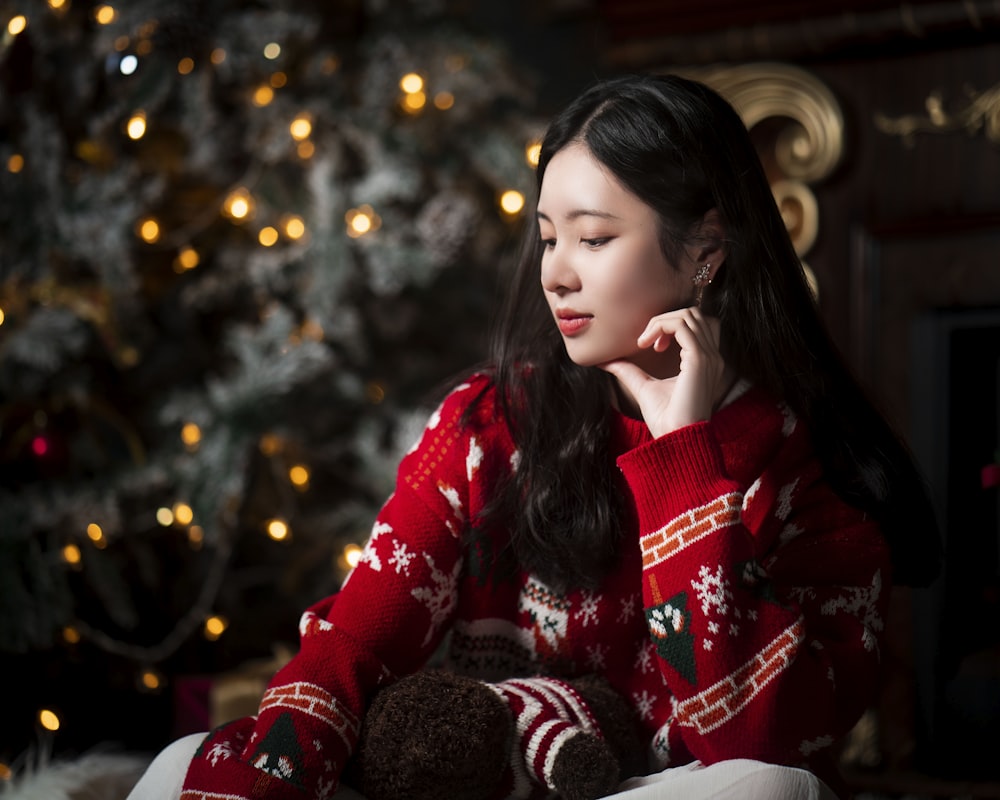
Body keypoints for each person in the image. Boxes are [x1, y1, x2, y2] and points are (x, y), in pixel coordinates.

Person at [127, 73, 941, 800]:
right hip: (475, 785)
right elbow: (352, 645)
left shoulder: (808, 468)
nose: (555, 272)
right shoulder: (489, 423)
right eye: (549, 237)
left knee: (770, 791)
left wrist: (683, 462)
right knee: (185, 762)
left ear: (705, 251)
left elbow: (758, 741)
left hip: (652, 789)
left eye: (593, 238)